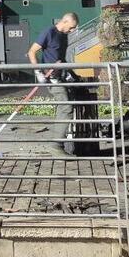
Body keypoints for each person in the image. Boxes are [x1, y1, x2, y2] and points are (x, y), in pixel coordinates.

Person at [27, 13, 81, 154]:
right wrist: (38, 72)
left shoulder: (64, 36)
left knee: (63, 107)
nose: (72, 30)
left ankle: (59, 143)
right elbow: (32, 52)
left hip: (60, 75)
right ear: (64, 21)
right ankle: (57, 145)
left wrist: (72, 74)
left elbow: (60, 58)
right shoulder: (48, 32)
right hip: (50, 77)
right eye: (71, 27)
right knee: (66, 107)